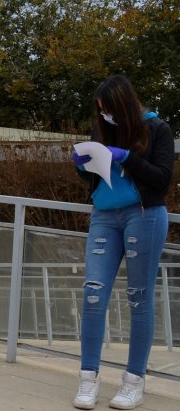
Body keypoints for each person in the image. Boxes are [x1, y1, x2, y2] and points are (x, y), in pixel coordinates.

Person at [71, 75, 173, 410]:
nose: (105, 117)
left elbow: (162, 180)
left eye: (109, 110)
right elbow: (95, 175)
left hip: (143, 215)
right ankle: (88, 379)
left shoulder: (157, 129)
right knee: (92, 293)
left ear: (124, 105)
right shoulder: (102, 128)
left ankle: (134, 381)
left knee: (139, 297)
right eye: (101, 112)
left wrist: (127, 157)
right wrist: (83, 165)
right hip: (104, 214)